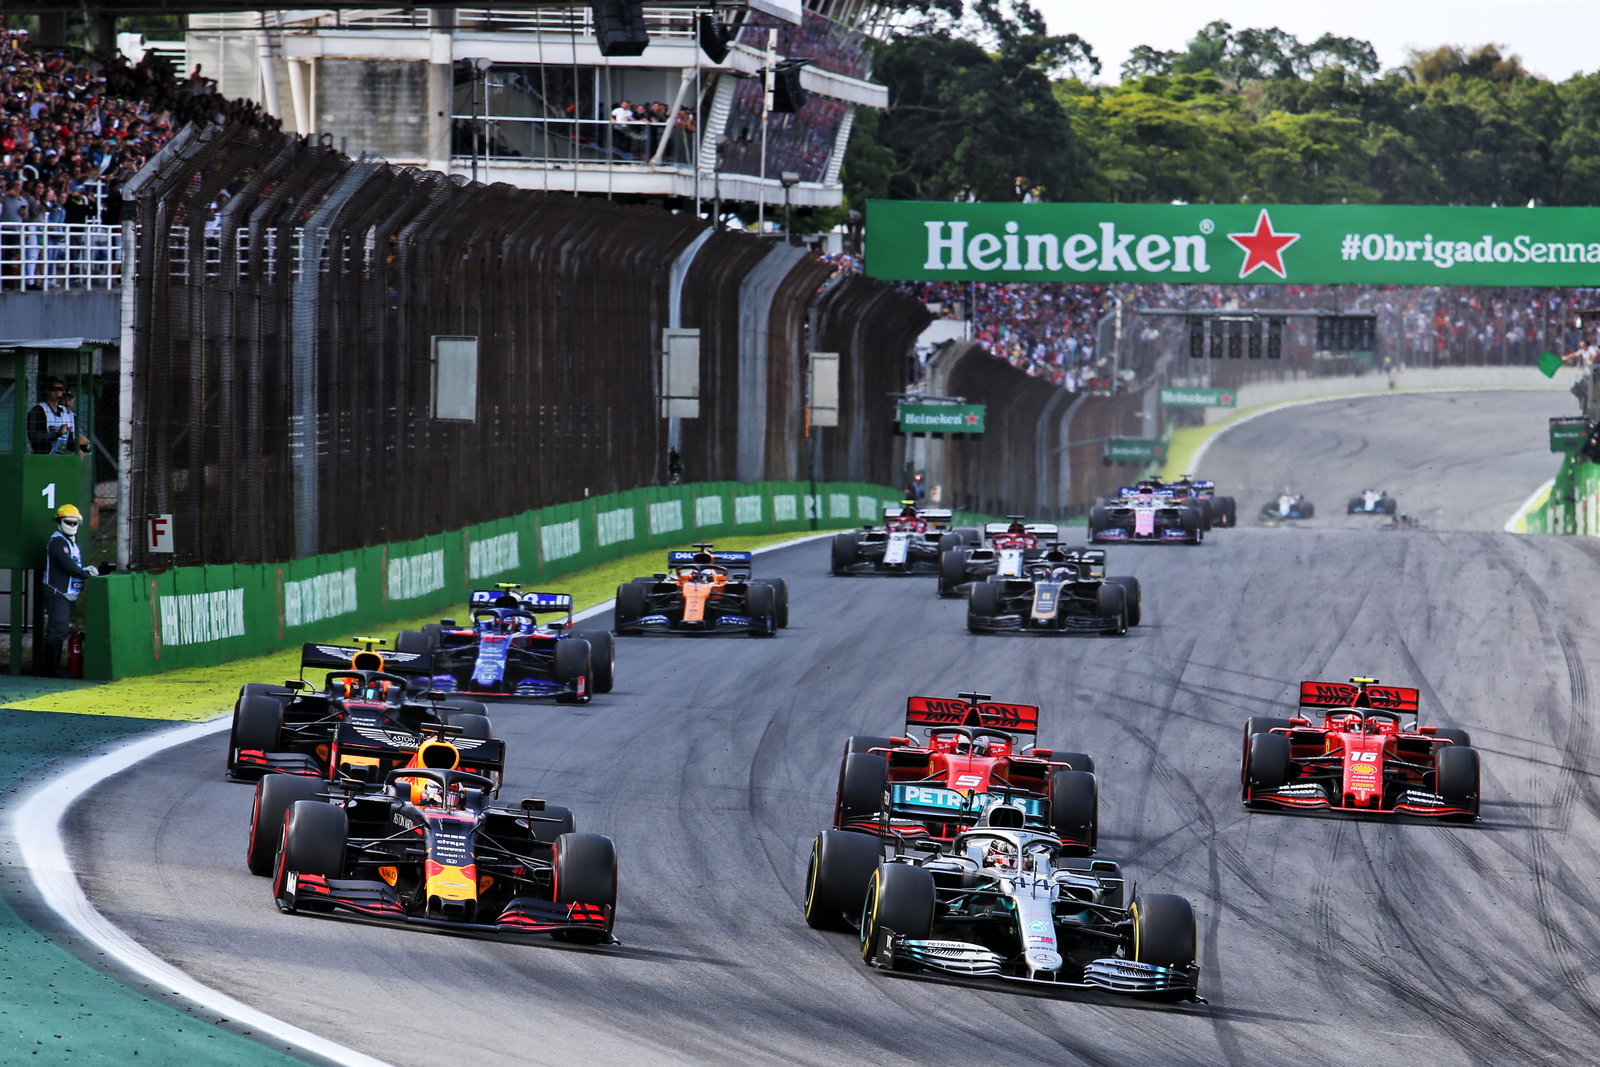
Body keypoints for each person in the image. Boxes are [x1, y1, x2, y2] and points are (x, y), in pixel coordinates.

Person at [38, 503, 97, 676]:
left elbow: (72, 564)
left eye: (74, 522)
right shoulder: (57, 542)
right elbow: (67, 565)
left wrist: (83, 572)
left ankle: (53, 666)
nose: (71, 525)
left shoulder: (69, 542)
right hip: (57, 592)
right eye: (68, 522)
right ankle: (51, 668)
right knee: (57, 629)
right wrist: (85, 573)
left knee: (61, 628)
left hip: (65, 593)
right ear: (59, 521)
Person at [26, 377, 86, 454]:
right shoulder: (38, 410)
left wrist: (80, 447)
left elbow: (69, 440)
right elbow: (33, 436)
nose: (57, 392)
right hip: (43, 456)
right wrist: (57, 433)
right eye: (53, 389)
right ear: (46, 390)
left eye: (60, 389)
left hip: (60, 456)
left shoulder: (65, 412)